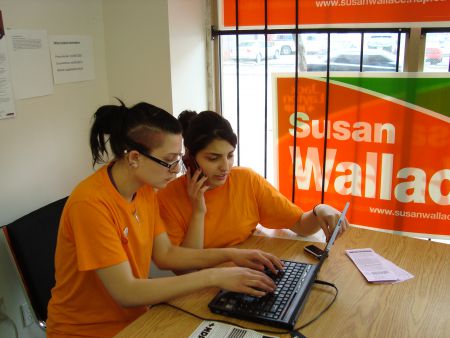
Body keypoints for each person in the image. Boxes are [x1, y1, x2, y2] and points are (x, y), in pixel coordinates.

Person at [46, 101, 283, 338]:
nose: (176, 170)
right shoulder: (91, 205)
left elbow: (166, 254)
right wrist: (215, 275)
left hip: (137, 321)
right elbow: (126, 292)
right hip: (85, 332)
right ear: (135, 158)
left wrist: (233, 255)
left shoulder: (145, 190)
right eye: (169, 161)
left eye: (178, 159)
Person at [157, 110, 349, 250]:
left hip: (244, 274)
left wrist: (319, 210)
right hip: (201, 288)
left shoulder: (246, 180)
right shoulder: (168, 197)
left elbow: (300, 224)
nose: (225, 167)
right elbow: (187, 269)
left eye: (230, 155)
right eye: (213, 158)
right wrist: (198, 211)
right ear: (189, 158)